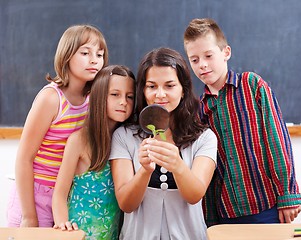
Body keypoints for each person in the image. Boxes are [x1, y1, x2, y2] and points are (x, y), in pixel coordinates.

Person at [183, 18, 301, 226]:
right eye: (194, 60)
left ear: (226, 52)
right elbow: (208, 171)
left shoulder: (252, 86)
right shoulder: (200, 110)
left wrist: (287, 194)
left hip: (267, 206)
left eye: (208, 56)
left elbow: (277, 141)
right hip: (227, 213)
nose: (202, 64)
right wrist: (210, 220)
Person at [109, 47, 217, 239]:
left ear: (183, 90)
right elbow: (126, 204)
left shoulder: (205, 138)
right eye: (151, 86)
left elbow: (194, 195)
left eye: (169, 86)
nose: (160, 94)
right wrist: (144, 170)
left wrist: (178, 165)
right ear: (143, 90)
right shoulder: (124, 136)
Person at [7, 24, 108, 227]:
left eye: (100, 54)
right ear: (67, 55)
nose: (94, 60)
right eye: (85, 52)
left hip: (67, 196)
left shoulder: (93, 100)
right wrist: (29, 216)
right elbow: (24, 158)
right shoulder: (51, 98)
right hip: (35, 195)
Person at [52, 65, 136, 240]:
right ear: (98, 96)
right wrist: (62, 223)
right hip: (78, 234)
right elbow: (60, 193)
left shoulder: (128, 141)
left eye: (130, 97)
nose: (123, 102)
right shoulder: (78, 141)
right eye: (115, 95)